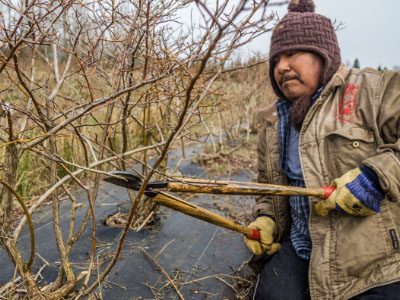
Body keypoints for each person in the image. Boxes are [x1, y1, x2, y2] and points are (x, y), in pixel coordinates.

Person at [243, 0, 400, 299]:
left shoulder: (373, 91)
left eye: (292, 54)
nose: (281, 67)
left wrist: (376, 177)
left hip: (373, 260)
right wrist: (268, 219)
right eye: (276, 59)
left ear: (323, 56)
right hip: (303, 247)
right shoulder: (272, 121)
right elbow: (268, 189)